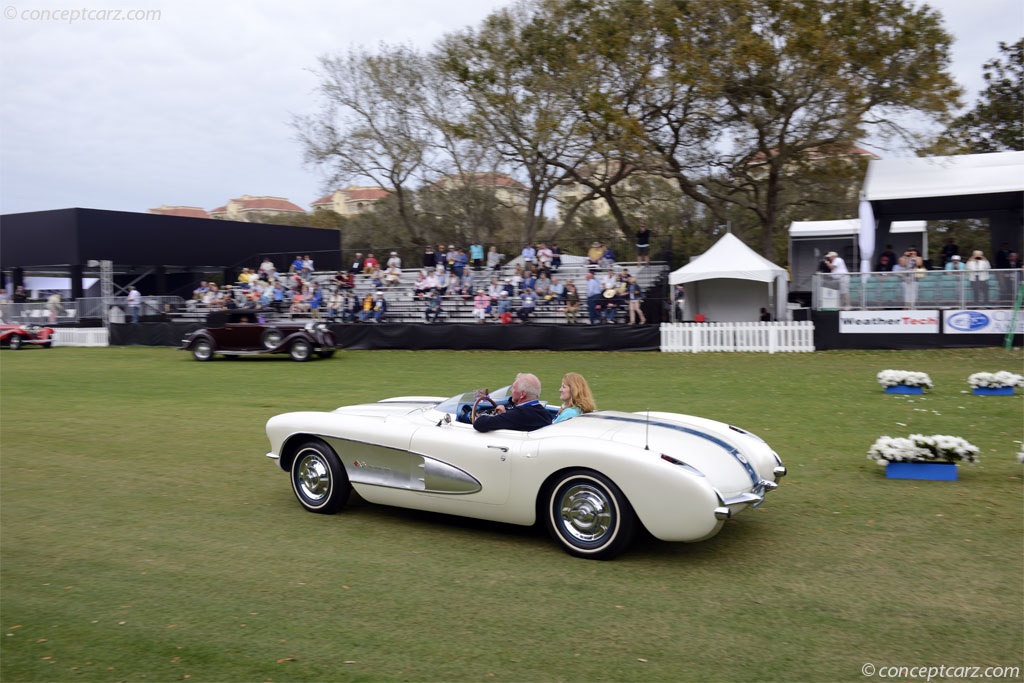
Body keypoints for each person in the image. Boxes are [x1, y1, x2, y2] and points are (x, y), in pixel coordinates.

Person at [472, 373, 552, 432]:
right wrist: (505, 414)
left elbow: (479, 424)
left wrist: (495, 415)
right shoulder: (546, 414)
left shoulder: (519, 414)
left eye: (513, 388)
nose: (511, 391)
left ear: (522, 394)